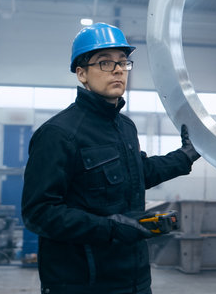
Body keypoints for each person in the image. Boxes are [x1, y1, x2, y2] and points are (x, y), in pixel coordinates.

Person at [21, 22, 200, 294]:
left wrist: (184, 157)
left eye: (123, 62)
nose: (118, 69)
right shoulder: (58, 134)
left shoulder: (125, 128)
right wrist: (110, 228)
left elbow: (139, 173)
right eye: (105, 63)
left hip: (135, 280)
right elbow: (39, 213)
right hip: (81, 284)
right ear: (81, 73)